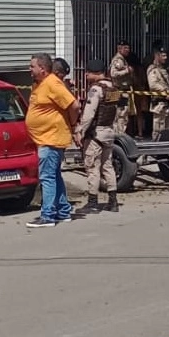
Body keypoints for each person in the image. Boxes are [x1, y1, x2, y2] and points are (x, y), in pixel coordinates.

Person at [25, 53, 81, 228]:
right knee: (54, 175)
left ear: (42, 68)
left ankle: (48, 215)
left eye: (32, 66)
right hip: (45, 138)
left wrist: (73, 124)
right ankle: (63, 211)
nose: (29, 69)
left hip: (52, 139)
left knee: (47, 177)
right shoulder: (39, 84)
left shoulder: (52, 83)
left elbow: (74, 105)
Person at [74, 59, 120, 215]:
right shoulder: (113, 87)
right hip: (109, 131)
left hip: (96, 134)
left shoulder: (95, 89)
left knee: (92, 166)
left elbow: (88, 115)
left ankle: (93, 202)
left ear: (94, 73)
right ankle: (113, 201)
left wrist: (80, 132)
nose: (86, 75)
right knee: (107, 166)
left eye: (87, 72)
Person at [147, 46, 169, 140]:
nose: (165, 58)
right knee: (158, 126)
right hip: (159, 102)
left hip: (166, 103)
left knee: (167, 126)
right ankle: (156, 144)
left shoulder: (163, 69)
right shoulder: (153, 69)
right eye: (163, 55)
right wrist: (164, 91)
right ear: (157, 56)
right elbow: (153, 85)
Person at [109, 41, 134, 135]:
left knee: (122, 114)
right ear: (119, 48)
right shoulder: (118, 60)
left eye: (128, 48)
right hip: (119, 90)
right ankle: (119, 135)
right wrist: (127, 71)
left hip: (123, 90)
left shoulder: (123, 59)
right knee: (120, 115)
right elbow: (113, 74)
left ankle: (120, 133)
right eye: (125, 48)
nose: (128, 50)